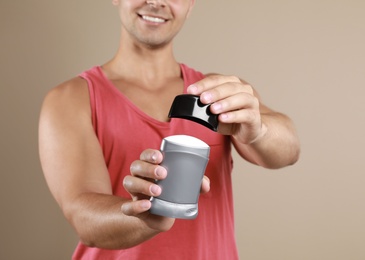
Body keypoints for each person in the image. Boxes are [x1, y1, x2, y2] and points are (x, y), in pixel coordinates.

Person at [39, 0, 300, 259]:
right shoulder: (71, 99)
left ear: (190, 4)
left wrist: (258, 132)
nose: (155, 2)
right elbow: (85, 219)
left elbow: (289, 149)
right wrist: (148, 214)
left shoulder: (221, 94)